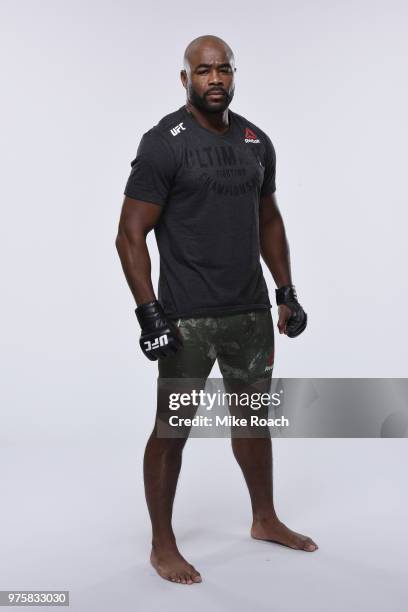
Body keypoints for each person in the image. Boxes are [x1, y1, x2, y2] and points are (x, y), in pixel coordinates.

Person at [115, 34, 317, 586]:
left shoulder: (255, 141)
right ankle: (162, 544)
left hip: (250, 312)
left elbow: (268, 219)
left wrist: (286, 291)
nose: (215, 79)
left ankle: (265, 518)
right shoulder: (164, 143)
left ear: (233, 74)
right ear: (185, 79)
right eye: (203, 70)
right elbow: (130, 235)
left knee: (253, 421)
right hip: (187, 319)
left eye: (223, 69)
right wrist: (149, 314)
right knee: (172, 428)